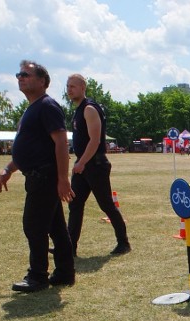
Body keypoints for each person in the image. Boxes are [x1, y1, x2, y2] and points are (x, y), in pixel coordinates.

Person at [0, 60, 74, 292]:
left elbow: (61, 142)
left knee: (34, 226)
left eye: (26, 75)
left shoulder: (47, 106)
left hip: (45, 176)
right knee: (56, 227)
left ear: (42, 81)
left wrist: (62, 178)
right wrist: (8, 170)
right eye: (19, 74)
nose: (20, 77)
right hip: (39, 175)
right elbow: (29, 148)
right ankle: (65, 273)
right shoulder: (33, 108)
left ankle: (38, 276)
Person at [65, 74, 130, 256]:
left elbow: (94, 141)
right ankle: (70, 247)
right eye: (68, 86)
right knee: (75, 205)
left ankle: (123, 243)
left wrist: (82, 162)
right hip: (84, 164)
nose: (69, 89)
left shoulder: (89, 109)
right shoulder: (78, 110)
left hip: (95, 164)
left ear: (83, 88)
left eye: (73, 86)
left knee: (106, 205)